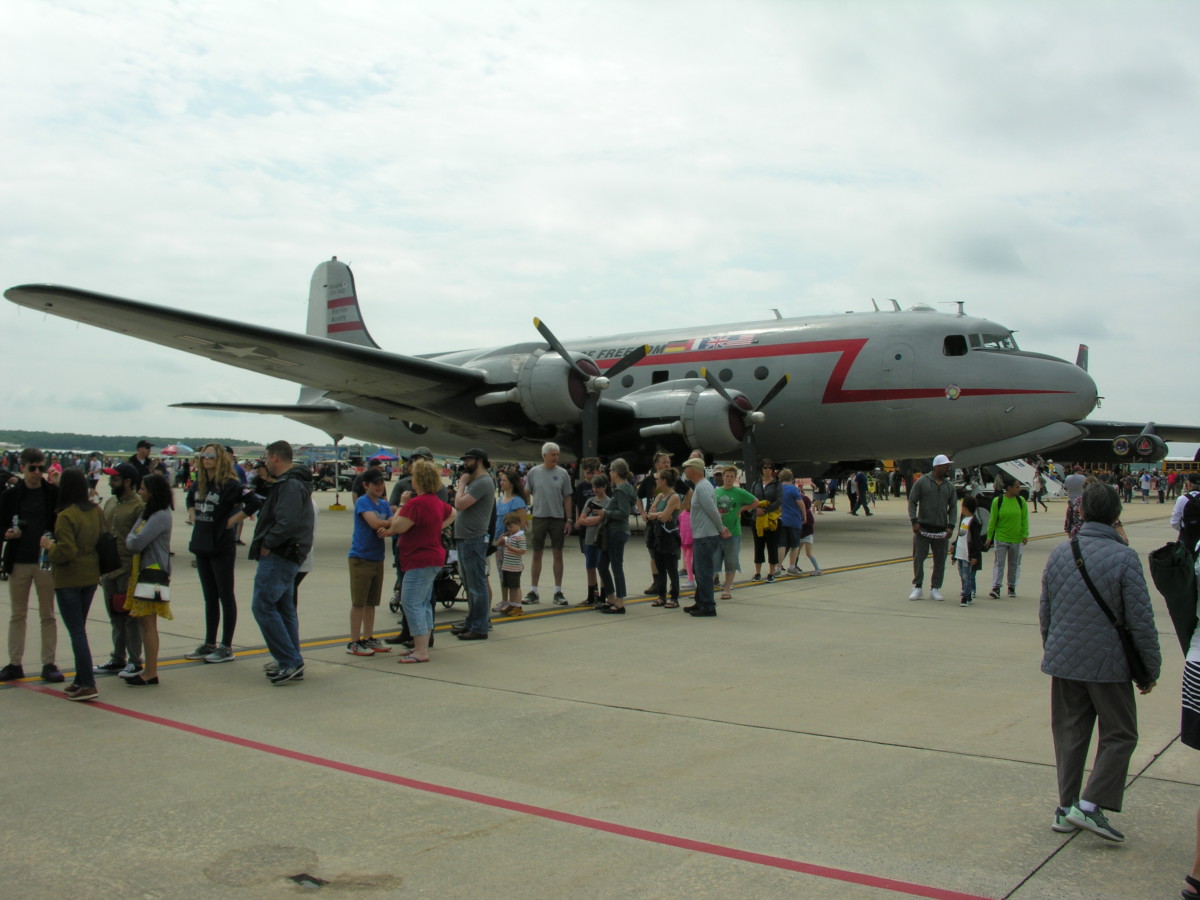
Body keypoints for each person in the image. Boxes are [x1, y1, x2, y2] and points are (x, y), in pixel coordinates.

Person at [1039, 483, 1161, 843]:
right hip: (1108, 664)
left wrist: (1056, 650)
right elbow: (1141, 620)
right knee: (1121, 733)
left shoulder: (1061, 552)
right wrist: (1149, 669)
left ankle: (1066, 806)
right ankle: (1091, 805)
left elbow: (1046, 611)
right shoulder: (1124, 557)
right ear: (1116, 514)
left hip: (1064, 661)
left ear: (1082, 511)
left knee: (1069, 733)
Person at [249, 441, 315, 685]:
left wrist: (267, 543)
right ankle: (290, 657)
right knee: (284, 607)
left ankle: (289, 660)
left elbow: (285, 521)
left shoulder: (289, 485)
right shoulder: (294, 484)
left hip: (280, 553)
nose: (265, 462)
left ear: (276, 457)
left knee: (263, 605)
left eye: (267, 457)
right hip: (289, 553)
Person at [0, 447, 65, 683]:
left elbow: (71, 510)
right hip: (19, 560)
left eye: (41, 467)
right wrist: (7, 534)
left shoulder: (53, 493)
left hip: (45, 562)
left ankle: (49, 663)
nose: (37, 473)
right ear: (22, 468)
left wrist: (59, 482)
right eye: (32, 468)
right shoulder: (10, 496)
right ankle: (14, 663)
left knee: (47, 614)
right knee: (18, 614)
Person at [40, 468, 103, 700]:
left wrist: (49, 546)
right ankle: (80, 679)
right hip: (90, 575)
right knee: (80, 628)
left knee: (76, 631)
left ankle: (87, 682)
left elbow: (66, 552)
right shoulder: (95, 511)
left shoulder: (66, 515)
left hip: (69, 578)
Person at [184, 443, 244, 664]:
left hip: (221, 547)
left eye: (211, 456)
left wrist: (231, 522)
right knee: (209, 597)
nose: (206, 459)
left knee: (225, 595)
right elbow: (189, 499)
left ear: (219, 459)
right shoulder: (200, 483)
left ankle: (226, 646)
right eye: (203, 455)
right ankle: (209, 642)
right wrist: (192, 514)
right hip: (202, 545)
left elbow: (253, 502)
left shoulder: (230, 484)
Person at [390, 460, 455, 660]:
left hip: (419, 558)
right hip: (434, 556)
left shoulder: (415, 504)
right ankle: (422, 644)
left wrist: (402, 503)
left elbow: (397, 526)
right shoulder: (437, 502)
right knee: (424, 602)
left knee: (411, 602)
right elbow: (453, 513)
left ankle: (420, 650)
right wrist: (436, 527)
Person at [123, 474, 175, 686]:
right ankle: (149, 669)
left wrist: (133, 537)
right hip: (143, 571)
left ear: (153, 491)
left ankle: (151, 671)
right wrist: (133, 537)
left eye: (143, 488)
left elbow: (135, 542)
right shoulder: (149, 512)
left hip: (152, 572)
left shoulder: (161, 515)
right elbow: (132, 536)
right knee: (144, 621)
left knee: (148, 622)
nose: (140, 492)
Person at [95, 462, 145, 679]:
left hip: (129, 569)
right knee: (115, 616)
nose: (110, 482)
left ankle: (135, 661)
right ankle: (117, 658)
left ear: (127, 481)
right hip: (109, 570)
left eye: (115, 479)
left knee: (131, 619)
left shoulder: (139, 505)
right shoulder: (110, 502)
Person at [345, 468, 393, 656]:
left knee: (371, 602)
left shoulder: (383, 504)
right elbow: (374, 523)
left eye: (381, 483)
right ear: (366, 485)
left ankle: (369, 637)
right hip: (361, 558)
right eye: (375, 483)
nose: (380, 487)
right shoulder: (363, 502)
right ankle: (354, 641)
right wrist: (388, 524)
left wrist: (388, 524)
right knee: (359, 602)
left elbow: (392, 519)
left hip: (377, 557)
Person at [452, 448, 496, 640]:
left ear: (478, 461)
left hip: (473, 539)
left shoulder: (483, 482)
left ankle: (479, 627)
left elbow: (460, 504)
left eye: (468, 460)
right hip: (465, 537)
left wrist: (461, 485)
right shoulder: (477, 482)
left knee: (477, 584)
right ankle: (471, 622)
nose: (465, 464)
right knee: (470, 584)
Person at [524, 442, 573, 605]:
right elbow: (526, 492)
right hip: (539, 517)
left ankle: (558, 591)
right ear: (544, 456)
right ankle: (533, 591)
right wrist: (524, 511)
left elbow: (567, 497)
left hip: (557, 518)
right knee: (537, 553)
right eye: (553, 454)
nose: (556, 457)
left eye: (557, 454)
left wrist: (569, 519)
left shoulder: (563, 473)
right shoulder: (534, 472)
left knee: (557, 554)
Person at [588, 459, 637, 612]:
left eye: (610, 471)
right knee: (602, 565)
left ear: (615, 473)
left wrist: (605, 513)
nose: (609, 474)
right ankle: (610, 597)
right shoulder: (625, 487)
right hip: (612, 532)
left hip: (617, 531)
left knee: (616, 565)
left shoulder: (621, 490)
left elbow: (623, 513)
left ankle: (620, 601)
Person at [907, 454, 957, 602]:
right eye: (945, 465)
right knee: (919, 558)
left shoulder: (949, 487)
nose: (948, 468)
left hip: (941, 529)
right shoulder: (922, 482)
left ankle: (935, 588)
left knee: (940, 560)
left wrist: (950, 526)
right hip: (923, 528)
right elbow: (912, 501)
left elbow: (953, 507)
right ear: (936, 467)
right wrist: (914, 521)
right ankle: (918, 586)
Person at [682, 457, 727, 617]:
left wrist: (721, 529)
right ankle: (700, 601)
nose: (685, 471)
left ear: (694, 470)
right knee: (697, 569)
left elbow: (712, 510)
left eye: (686, 468)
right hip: (702, 534)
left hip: (706, 536)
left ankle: (708, 606)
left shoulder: (702, 488)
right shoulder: (702, 486)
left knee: (703, 571)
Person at [714, 466, 758, 598]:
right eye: (727, 476)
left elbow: (756, 502)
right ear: (723, 476)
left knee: (731, 561)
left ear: (735, 478)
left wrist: (742, 509)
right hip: (717, 531)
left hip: (733, 532)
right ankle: (706, 588)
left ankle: (727, 588)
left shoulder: (739, 492)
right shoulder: (716, 491)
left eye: (732, 476)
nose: (729, 479)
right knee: (713, 560)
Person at [984, 477, 1029, 598]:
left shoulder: (1021, 501)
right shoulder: (997, 501)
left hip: (1016, 538)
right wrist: (989, 537)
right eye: (1016, 487)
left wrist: (1025, 534)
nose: (1019, 489)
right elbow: (992, 520)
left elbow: (1024, 519)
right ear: (1009, 488)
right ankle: (996, 587)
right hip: (1001, 537)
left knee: (1014, 564)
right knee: (999, 563)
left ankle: (1012, 586)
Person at [646, 468, 682, 608]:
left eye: (658, 479)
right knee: (660, 566)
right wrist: (659, 514)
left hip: (669, 536)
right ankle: (661, 595)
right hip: (657, 534)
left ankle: (674, 597)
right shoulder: (659, 496)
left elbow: (664, 517)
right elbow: (650, 515)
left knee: (671, 568)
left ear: (664, 481)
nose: (656, 481)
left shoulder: (674, 497)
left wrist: (658, 514)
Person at [575, 474, 609, 607]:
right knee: (590, 566)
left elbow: (601, 519)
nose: (595, 490)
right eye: (594, 487)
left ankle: (603, 595)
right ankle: (591, 595)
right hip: (589, 538)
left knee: (602, 567)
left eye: (598, 487)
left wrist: (589, 520)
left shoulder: (608, 502)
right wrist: (592, 520)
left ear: (604, 487)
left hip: (601, 538)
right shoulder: (590, 501)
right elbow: (581, 520)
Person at [782, 470, 821, 576]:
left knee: (805, 552)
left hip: (806, 536)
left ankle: (817, 569)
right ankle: (794, 566)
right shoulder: (807, 513)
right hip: (805, 535)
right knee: (798, 551)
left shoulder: (806, 514)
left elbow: (807, 525)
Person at [749, 460, 782, 581]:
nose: (767, 470)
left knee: (772, 546)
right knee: (758, 545)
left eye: (769, 468)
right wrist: (756, 509)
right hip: (757, 519)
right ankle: (757, 572)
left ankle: (771, 573)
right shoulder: (756, 484)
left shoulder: (777, 484)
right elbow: (751, 499)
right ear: (761, 469)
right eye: (765, 467)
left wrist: (766, 510)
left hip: (771, 519)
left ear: (773, 471)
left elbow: (779, 501)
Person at [953, 495, 984, 607]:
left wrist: (974, 555)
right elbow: (960, 535)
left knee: (967, 576)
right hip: (960, 553)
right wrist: (954, 545)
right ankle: (968, 592)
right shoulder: (963, 519)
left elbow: (975, 540)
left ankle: (965, 597)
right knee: (962, 574)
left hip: (967, 554)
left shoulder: (973, 522)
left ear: (966, 508)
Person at [493, 512, 527, 616]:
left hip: (514, 567)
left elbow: (522, 550)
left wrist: (509, 547)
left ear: (518, 523)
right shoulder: (511, 535)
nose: (510, 529)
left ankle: (518, 605)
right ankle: (512, 604)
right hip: (507, 565)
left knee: (516, 587)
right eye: (508, 527)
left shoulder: (520, 536)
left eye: (511, 527)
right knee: (510, 587)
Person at [1170, 473, 1200, 557]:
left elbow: (1174, 522)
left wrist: (1184, 529)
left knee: (1185, 567)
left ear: (1189, 484)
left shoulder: (1182, 499)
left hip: (1186, 538)